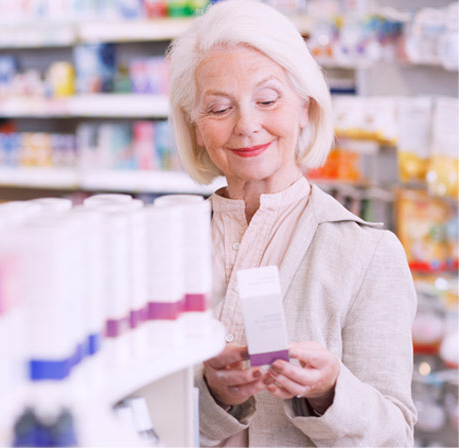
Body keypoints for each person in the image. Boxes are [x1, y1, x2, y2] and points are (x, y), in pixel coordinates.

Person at [167, 1, 417, 446]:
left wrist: (328, 392)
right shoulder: (164, 246)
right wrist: (214, 398)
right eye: (220, 108)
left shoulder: (367, 254)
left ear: (305, 106)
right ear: (195, 127)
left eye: (267, 99)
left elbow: (395, 436)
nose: (247, 126)